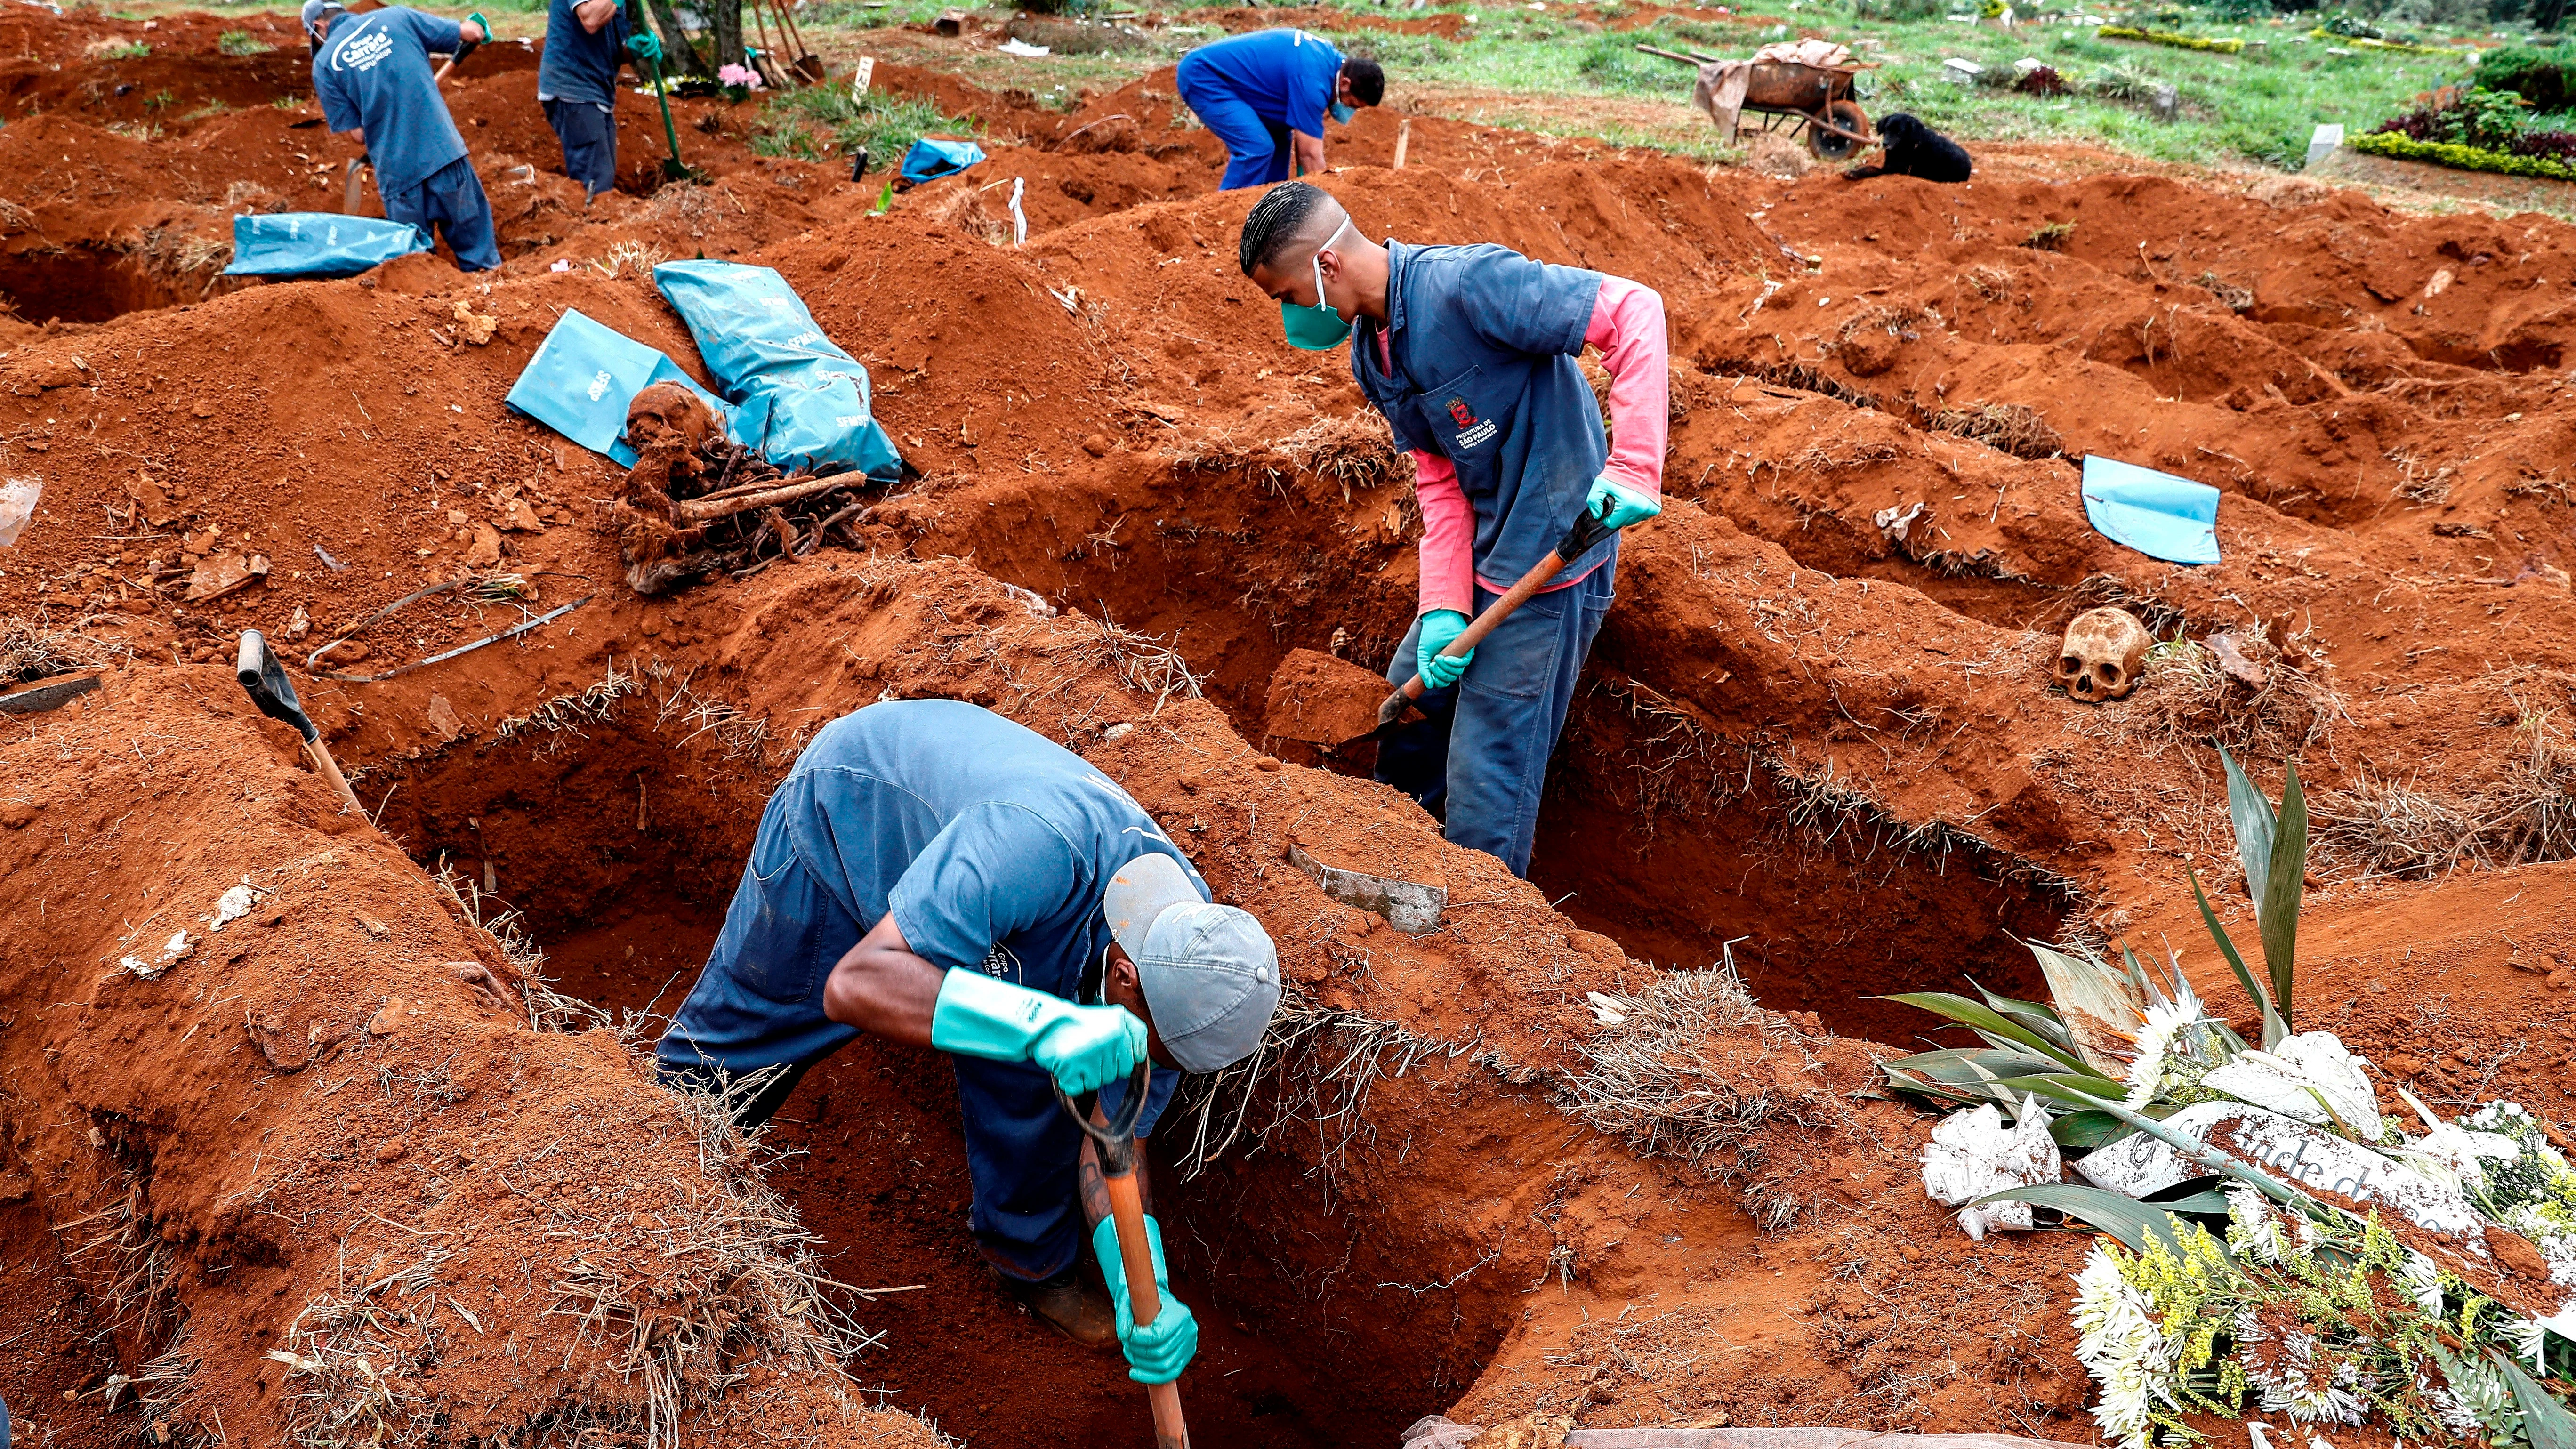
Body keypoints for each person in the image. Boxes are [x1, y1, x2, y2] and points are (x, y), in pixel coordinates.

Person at [655, 700, 1282, 1385]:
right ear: (1127, 976)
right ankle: (649, 1192)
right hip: (851, 824)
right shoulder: (1034, 847)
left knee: (1040, 1076)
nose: (1153, 1067)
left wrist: (1144, 1285)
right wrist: (1042, 1024)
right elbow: (856, 985)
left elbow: (1113, 1135)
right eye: (1153, 1049)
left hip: (1010, 920)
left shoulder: (1186, 945)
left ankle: (1028, 1263)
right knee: (737, 1054)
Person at [1238, 180, 1667, 878]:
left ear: (1326, 267)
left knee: (1487, 775)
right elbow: (1439, 479)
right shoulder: (1371, 354)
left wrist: (1635, 463)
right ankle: (1390, 867)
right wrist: (1443, 606)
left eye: (1286, 297)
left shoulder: (1470, 286)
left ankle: (1480, 924)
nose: (1291, 317)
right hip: (1480, 554)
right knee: (1409, 704)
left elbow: (1634, 310)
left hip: (1552, 563)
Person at [306, 0, 501, 272]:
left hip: (398, 176)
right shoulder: (397, 17)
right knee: (482, 262)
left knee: (417, 272)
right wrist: (478, 25)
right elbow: (472, 34)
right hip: (444, 155)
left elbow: (359, 135)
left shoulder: (325, 65)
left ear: (318, 27)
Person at [1175, 28, 1383, 190]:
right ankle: (1224, 216)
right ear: (1345, 84)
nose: (1347, 110)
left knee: (1280, 137)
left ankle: (1271, 209)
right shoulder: (1313, 81)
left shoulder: (1331, 62)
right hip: (1205, 77)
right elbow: (1309, 155)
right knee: (1256, 147)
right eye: (1351, 104)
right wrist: (1326, 205)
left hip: (1240, 84)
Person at [538, 0, 660, 201]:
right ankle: (589, 228)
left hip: (595, 93)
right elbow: (591, 19)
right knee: (595, 184)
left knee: (603, 177)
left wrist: (634, 49)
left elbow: (608, 45)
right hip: (574, 90)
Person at [1843, 112, 1972, 184]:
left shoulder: (1916, 145)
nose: (1887, 140)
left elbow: (1889, 171)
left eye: (1896, 134)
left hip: (1955, 172)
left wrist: (1862, 172)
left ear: (1908, 134)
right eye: (1888, 131)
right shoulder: (1903, 143)